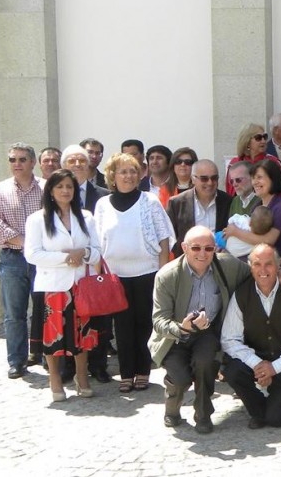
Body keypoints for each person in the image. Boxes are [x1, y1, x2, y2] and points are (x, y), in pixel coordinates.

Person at [149, 227, 281, 433]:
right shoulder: (167, 275)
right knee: (180, 378)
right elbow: (159, 320)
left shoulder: (226, 265)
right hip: (174, 336)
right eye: (196, 248)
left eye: (208, 248)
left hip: (207, 333)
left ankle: (203, 415)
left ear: (215, 248)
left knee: (206, 363)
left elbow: (257, 271)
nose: (202, 254)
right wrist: (182, 327)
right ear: (184, 248)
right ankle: (172, 409)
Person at [93, 153, 176, 393]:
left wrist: (162, 273)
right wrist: (99, 278)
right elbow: (98, 243)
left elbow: (163, 239)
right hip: (116, 277)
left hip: (147, 273)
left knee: (144, 325)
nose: (129, 176)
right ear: (112, 176)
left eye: (133, 171)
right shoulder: (102, 205)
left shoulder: (149, 201)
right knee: (122, 327)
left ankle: (143, 371)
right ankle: (126, 373)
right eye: (123, 171)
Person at [24, 169, 102, 401]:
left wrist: (84, 253)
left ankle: (82, 375)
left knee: (82, 334)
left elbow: (98, 251)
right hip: (52, 285)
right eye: (60, 187)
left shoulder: (86, 217)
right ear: (50, 191)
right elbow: (32, 254)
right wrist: (66, 257)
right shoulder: (37, 219)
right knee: (52, 336)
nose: (65, 191)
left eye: (69, 186)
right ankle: (55, 379)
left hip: (81, 284)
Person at [222, 244, 281, 429]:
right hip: (258, 360)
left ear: (278, 265)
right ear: (250, 266)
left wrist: (274, 368)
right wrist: (257, 364)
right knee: (232, 371)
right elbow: (229, 339)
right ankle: (259, 411)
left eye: (269, 264)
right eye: (257, 264)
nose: (263, 270)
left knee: (276, 420)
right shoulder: (242, 294)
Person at [0, 143, 45, 379]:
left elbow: (54, 218)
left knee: (45, 310)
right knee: (14, 313)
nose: (17, 164)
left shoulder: (46, 187)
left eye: (22, 159)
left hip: (42, 259)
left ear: (33, 162)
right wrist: (24, 241)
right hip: (13, 258)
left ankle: (46, 355)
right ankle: (17, 360)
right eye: (12, 160)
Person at [59, 145, 112, 383]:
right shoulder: (55, 195)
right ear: (64, 166)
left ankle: (99, 366)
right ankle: (70, 366)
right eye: (72, 161)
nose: (78, 165)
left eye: (81, 160)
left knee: (98, 318)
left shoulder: (103, 194)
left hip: (95, 267)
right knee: (69, 320)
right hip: (66, 271)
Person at [223, 159, 281, 261]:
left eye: (259, 177)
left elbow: (268, 240)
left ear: (273, 179)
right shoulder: (257, 205)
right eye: (253, 178)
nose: (255, 182)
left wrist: (235, 231)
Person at [167, 159, 231, 257]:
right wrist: (184, 253)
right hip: (188, 262)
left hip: (220, 261)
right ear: (193, 179)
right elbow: (169, 236)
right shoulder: (177, 203)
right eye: (204, 178)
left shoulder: (228, 201)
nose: (210, 183)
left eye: (214, 178)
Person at [225, 123, 281, 197]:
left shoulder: (273, 162)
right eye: (258, 138)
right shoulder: (234, 164)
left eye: (265, 137)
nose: (263, 141)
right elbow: (230, 192)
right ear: (247, 142)